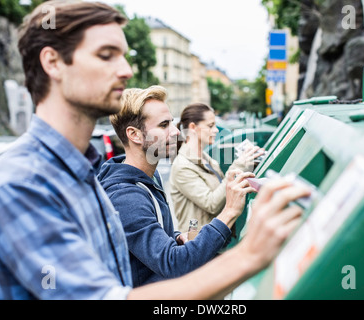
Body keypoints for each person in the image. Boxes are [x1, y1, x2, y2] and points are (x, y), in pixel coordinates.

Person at [0, 0, 310, 300]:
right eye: (106, 55)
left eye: (123, 55)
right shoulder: (24, 182)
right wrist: (249, 254)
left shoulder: (83, 173)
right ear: (53, 63)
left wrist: (179, 240)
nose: (126, 70)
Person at [98, 86, 256, 287]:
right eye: (164, 125)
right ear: (134, 135)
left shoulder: (147, 177)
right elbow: (174, 264)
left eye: (171, 123)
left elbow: (147, 240)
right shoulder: (126, 196)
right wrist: (230, 211)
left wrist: (175, 237)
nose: (175, 132)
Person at [170, 103, 265, 233]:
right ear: (193, 127)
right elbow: (211, 204)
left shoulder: (207, 159)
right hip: (198, 243)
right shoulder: (182, 166)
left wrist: (249, 163)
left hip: (214, 237)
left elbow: (223, 191)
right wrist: (237, 166)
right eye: (210, 126)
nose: (216, 130)